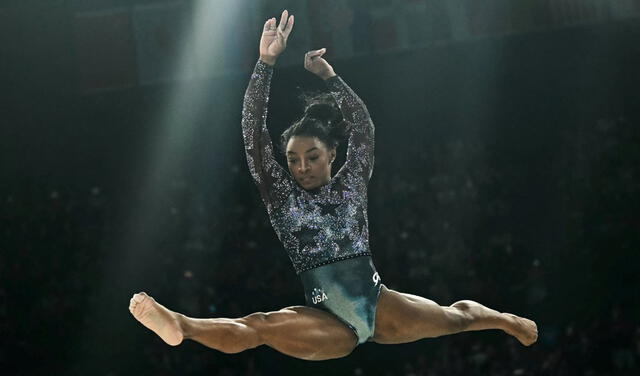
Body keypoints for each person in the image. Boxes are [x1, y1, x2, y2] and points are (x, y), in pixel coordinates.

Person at [129, 9, 538, 361]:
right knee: (260, 327)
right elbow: (253, 135)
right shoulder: (280, 196)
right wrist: (264, 64)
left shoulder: (350, 184)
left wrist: (331, 77)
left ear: (331, 157)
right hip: (327, 320)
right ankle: (180, 324)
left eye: (311, 157)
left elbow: (363, 128)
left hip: (380, 305)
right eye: (292, 160)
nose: (301, 167)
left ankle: (506, 319)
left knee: (457, 319)